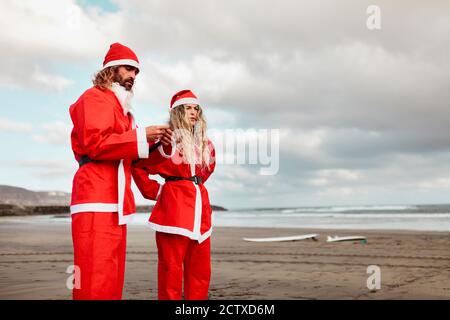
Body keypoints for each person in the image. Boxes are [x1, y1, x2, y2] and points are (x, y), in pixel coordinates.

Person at [69, 42, 173, 300]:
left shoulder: (124, 112)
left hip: (116, 201)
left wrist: (159, 144)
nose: (133, 76)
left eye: (137, 72)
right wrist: (141, 135)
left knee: (111, 272)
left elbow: (133, 160)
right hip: (95, 197)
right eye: (129, 69)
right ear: (111, 69)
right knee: (94, 273)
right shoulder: (93, 98)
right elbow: (96, 145)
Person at [132, 89, 216, 300]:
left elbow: (205, 173)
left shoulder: (207, 145)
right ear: (177, 112)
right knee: (171, 269)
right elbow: (138, 167)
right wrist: (159, 191)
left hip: (201, 215)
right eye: (188, 108)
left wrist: (192, 186)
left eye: (196, 108)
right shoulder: (165, 141)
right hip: (173, 213)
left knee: (200, 271)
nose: (193, 112)